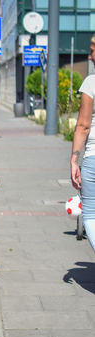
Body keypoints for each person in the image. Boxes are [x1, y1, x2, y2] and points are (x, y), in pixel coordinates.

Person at [71, 37, 95, 251]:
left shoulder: (91, 82)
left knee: (91, 215)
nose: (89, 56)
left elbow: (83, 126)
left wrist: (73, 160)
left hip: (94, 158)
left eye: (92, 50)